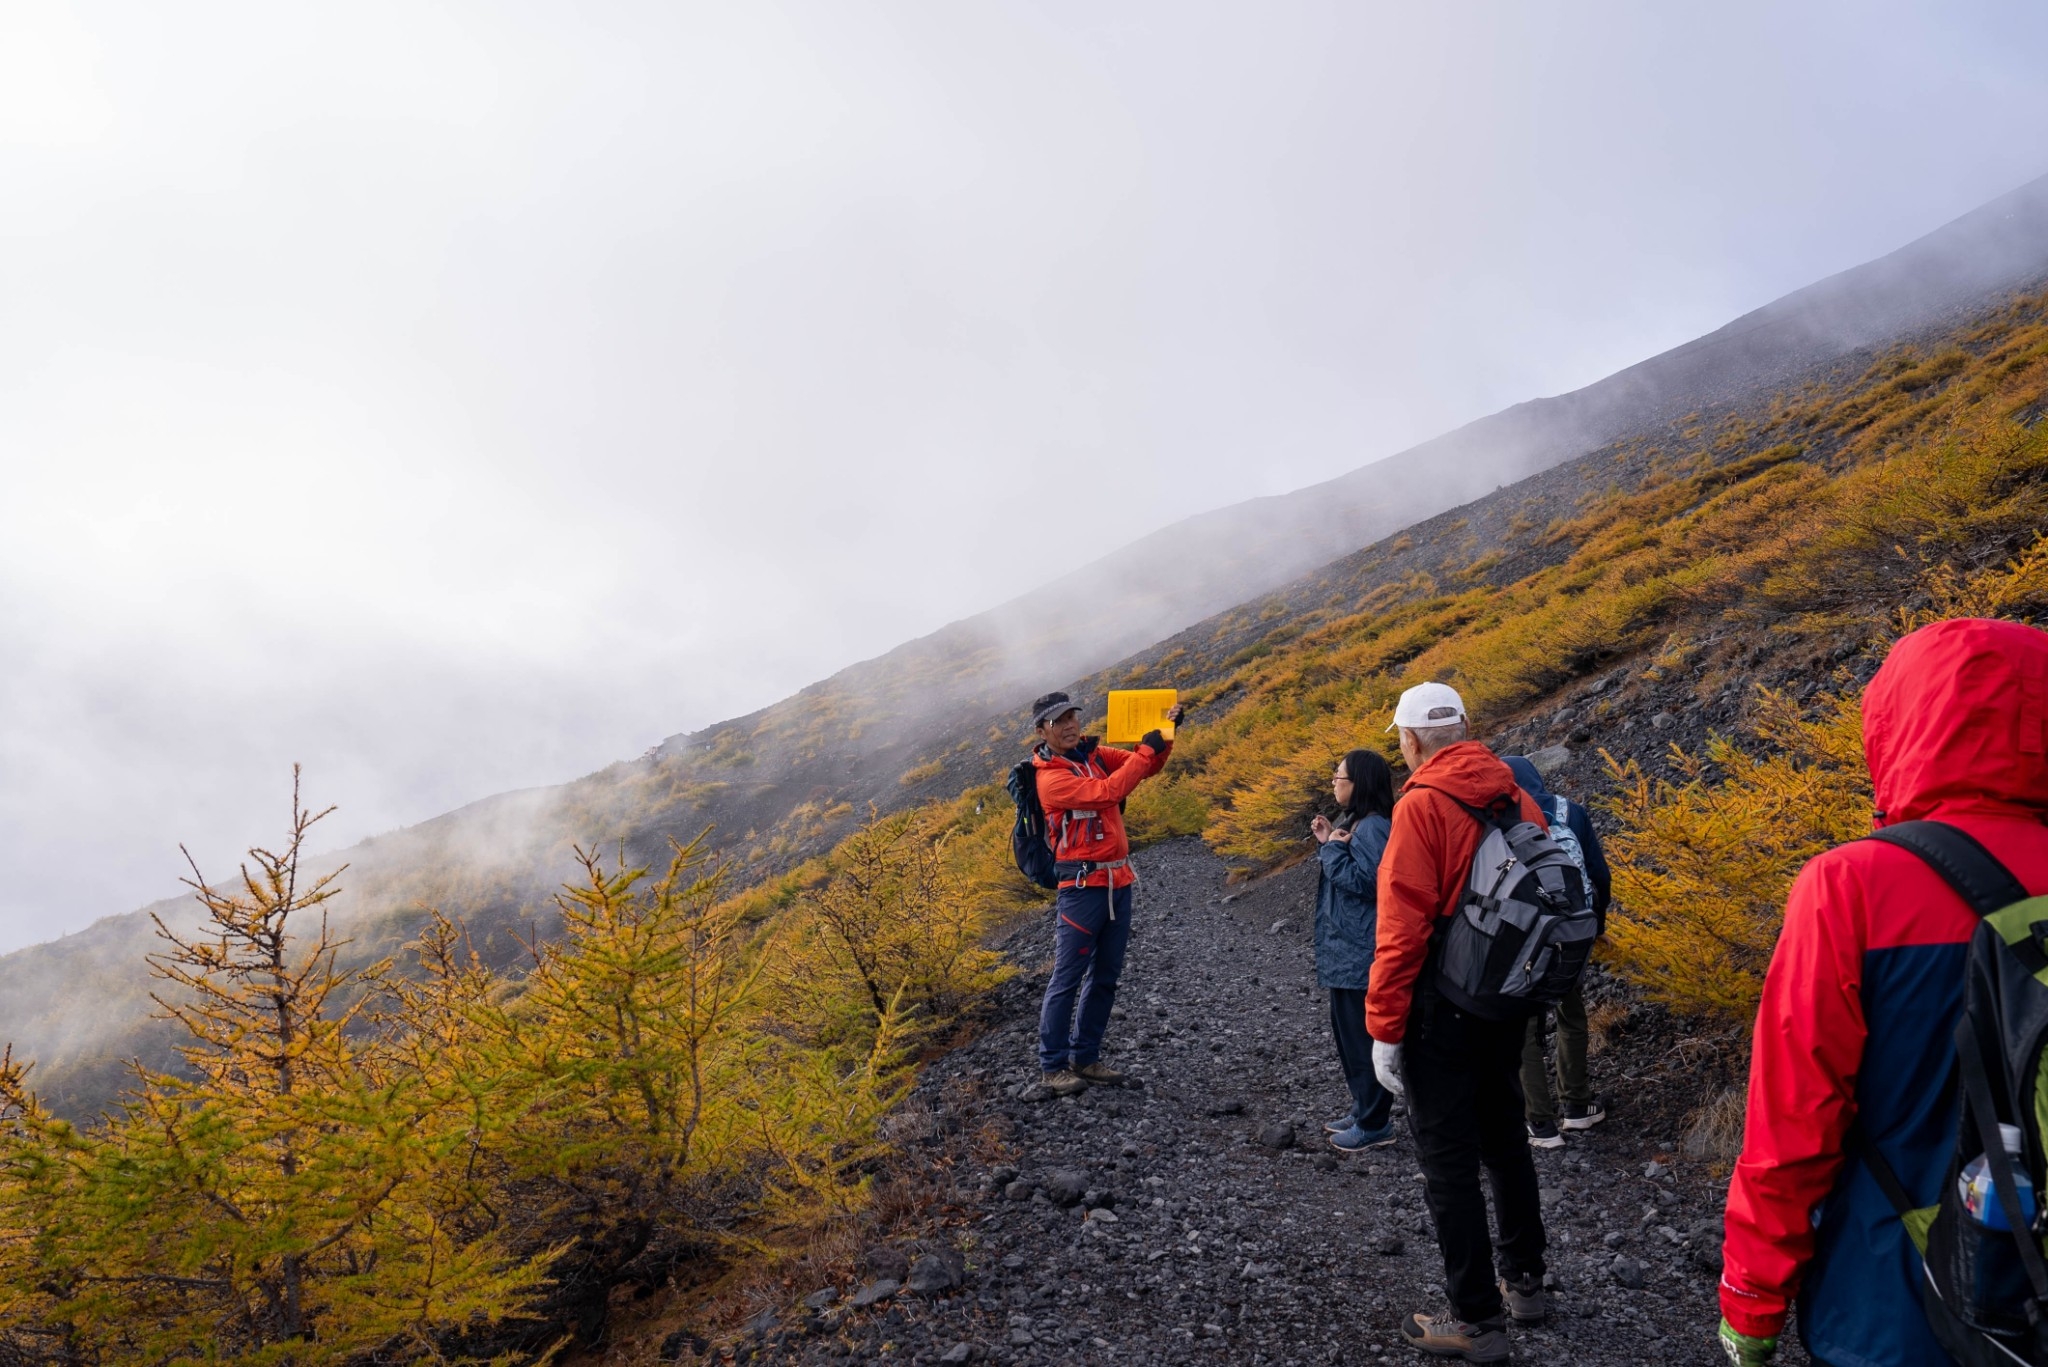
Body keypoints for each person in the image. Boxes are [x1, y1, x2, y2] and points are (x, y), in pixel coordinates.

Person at [1717, 617, 2048, 1367]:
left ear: (1901, 720)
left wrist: (1752, 1300)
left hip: (1896, 1294)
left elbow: (1793, 1124)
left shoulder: (1850, 884)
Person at [1367, 681, 1549, 1364]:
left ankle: (1476, 1320)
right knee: (1505, 1135)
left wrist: (1384, 1027)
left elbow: (1402, 926)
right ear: (1467, 728)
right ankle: (1525, 1283)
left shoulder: (1421, 805)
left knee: (1448, 1161)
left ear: (1411, 740)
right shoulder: (1513, 792)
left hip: (1439, 1009)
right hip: (1505, 999)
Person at [1029, 690, 1182, 1097]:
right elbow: (1108, 793)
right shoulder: (1051, 778)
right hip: (1081, 888)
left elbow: (1141, 768)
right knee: (1067, 977)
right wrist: (1146, 752)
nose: (1068, 725)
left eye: (1071, 717)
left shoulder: (1093, 756)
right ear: (1042, 730)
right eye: (1058, 721)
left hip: (1117, 881)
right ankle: (1053, 1066)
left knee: (1106, 976)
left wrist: (1164, 736)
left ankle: (1087, 1057)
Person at [1501, 754, 1613, 1149]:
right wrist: (1595, 923)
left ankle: (1540, 1124)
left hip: (1524, 935)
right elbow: (1598, 873)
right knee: (1571, 1013)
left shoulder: (1500, 816)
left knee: (1526, 1027)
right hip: (1572, 929)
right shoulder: (1570, 811)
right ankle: (1578, 1107)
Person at [1312, 748, 1399, 1152]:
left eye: (1339, 776)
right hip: (1347, 954)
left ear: (1359, 783)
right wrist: (1329, 841)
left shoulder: (1374, 827)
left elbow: (1368, 884)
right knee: (1348, 1039)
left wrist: (1331, 848)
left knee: (1362, 1042)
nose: (1334, 781)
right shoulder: (1359, 824)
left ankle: (1374, 1122)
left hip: (1360, 954)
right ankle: (1363, 1107)